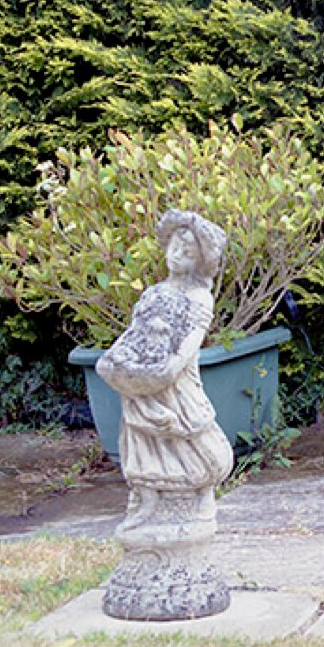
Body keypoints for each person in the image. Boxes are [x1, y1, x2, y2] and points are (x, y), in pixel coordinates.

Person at [96, 209, 234, 534]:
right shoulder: (153, 293)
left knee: (194, 439)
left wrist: (168, 369)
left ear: (200, 261)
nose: (176, 255)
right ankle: (147, 497)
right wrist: (120, 362)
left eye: (187, 253)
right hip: (143, 373)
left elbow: (190, 343)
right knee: (142, 440)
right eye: (173, 246)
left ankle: (201, 495)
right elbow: (134, 334)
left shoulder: (199, 298)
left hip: (176, 382)